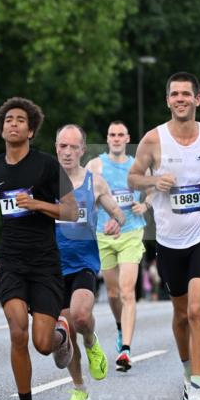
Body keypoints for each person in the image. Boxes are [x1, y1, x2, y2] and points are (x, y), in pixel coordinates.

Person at [0, 97, 78, 400]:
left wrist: (38, 203)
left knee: (42, 344)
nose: (13, 124)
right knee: (18, 331)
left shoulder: (46, 165)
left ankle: (62, 337)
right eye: (8, 120)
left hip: (44, 262)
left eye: (20, 120)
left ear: (30, 130)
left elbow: (73, 211)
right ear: (2, 128)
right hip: (11, 260)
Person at [128, 71, 200, 400]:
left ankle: (197, 390)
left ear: (197, 99)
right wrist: (155, 179)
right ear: (168, 100)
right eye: (175, 94)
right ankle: (187, 373)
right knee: (182, 313)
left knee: (199, 310)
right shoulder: (153, 140)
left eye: (187, 94)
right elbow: (133, 177)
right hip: (169, 240)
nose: (181, 99)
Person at [55, 125, 126, 400]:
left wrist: (116, 221)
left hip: (84, 263)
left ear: (83, 150)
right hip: (51, 267)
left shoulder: (94, 182)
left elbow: (116, 210)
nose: (68, 152)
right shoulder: (46, 182)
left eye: (73, 147)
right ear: (56, 148)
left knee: (82, 318)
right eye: (62, 146)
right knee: (65, 330)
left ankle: (92, 341)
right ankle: (78, 388)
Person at [86, 121, 149, 371]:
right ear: (107, 138)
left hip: (132, 231)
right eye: (112, 134)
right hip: (104, 234)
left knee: (127, 291)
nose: (116, 138)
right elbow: (83, 191)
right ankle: (121, 327)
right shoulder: (96, 165)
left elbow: (154, 190)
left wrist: (145, 205)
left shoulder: (137, 165)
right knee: (112, 294)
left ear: (127, 138)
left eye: (121, 134)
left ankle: (126, 350)